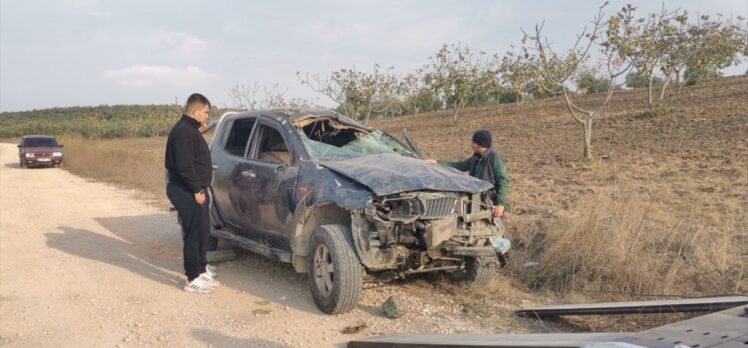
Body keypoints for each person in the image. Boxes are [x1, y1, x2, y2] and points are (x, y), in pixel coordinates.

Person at [165, 93, 220, 294]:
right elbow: (184, 166)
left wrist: (198, 131)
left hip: (194, 189)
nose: (207, 116)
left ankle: (201, 268)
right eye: (205, 112)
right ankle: (192, 278)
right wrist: (197, 189)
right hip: (186, 190)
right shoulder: (182, 132)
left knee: (203, 230)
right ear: (195, 111)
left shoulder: (189, 130)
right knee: (193, 233)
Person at [436, 129, 510, 218]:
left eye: (473, 142)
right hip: (476, 198)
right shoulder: (476, 157)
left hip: (489, 201)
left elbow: (503, 182)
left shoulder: (495, 159)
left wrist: (500, 204)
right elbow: (460, 165)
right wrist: (438, 163)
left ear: (480, 144)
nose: (471, 144)